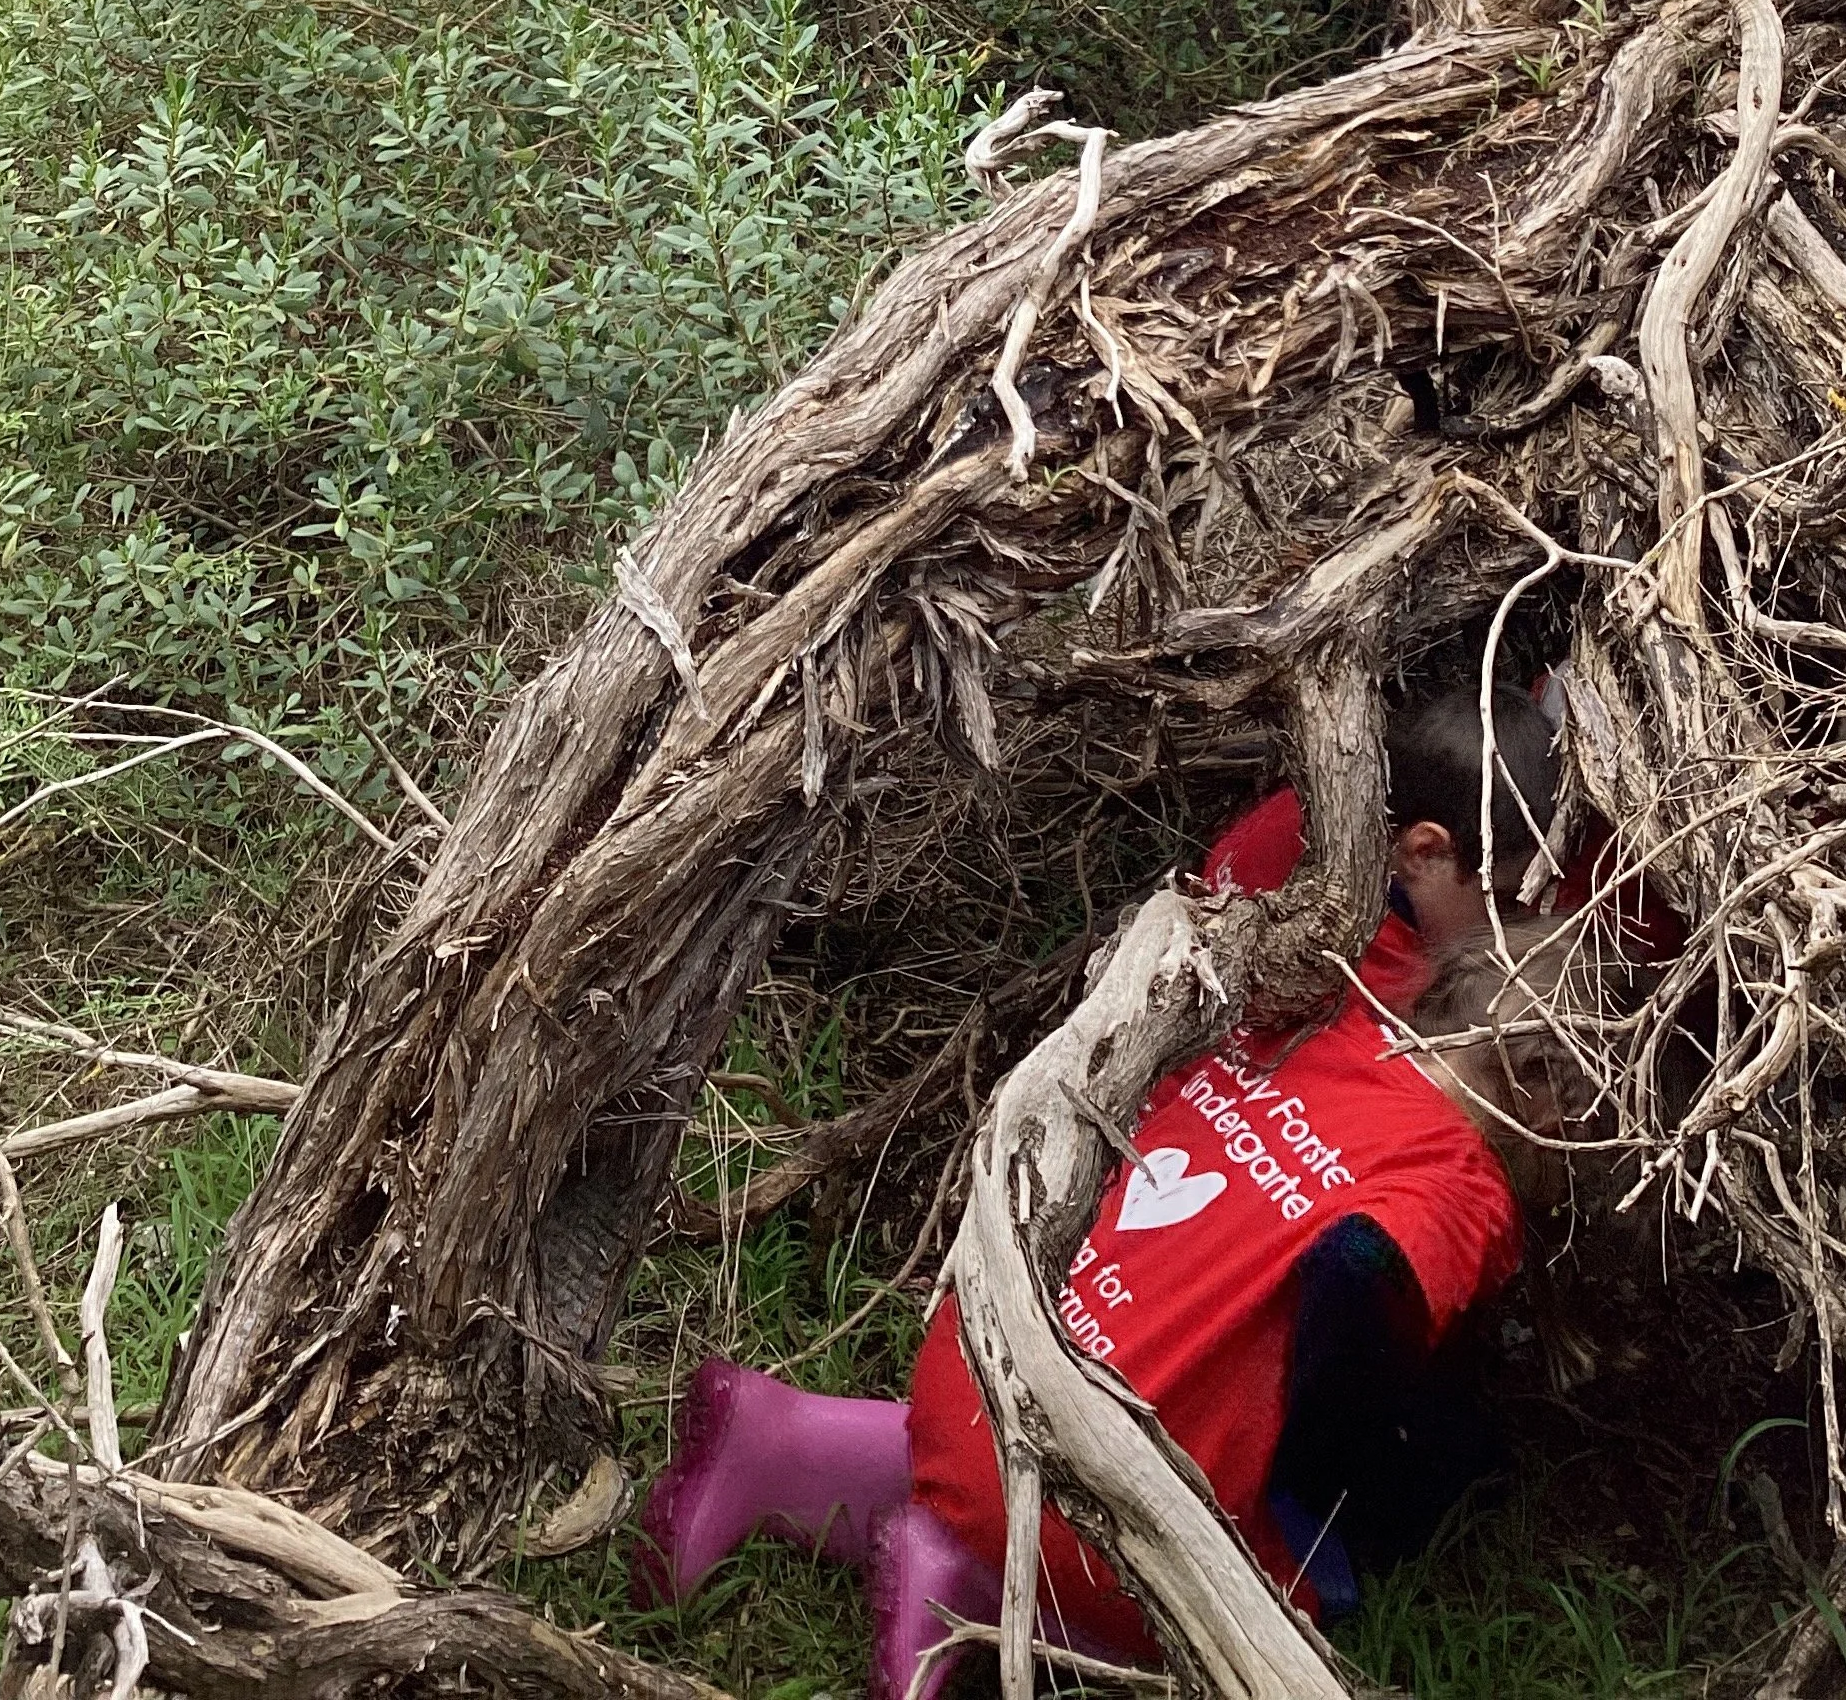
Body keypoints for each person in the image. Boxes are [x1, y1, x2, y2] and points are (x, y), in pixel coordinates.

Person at [633, 683, 1585, 1699]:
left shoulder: (1323, 1006)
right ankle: (969, 1605)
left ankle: (784, 1441)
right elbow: (1361, 1309)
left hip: (983, 1340)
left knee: (1007, 1444)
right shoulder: (1455, 1183)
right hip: (1080, 1496)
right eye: (1513, 890)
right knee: (1292, 1582)